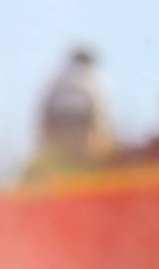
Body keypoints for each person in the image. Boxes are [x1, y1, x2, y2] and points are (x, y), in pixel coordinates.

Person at [24, 48, 117, 182]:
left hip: (61, 127)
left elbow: (44, 108)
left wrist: (44, 138)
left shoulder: (57, 78)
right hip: (81, 125)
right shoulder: (93, 78)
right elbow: (100, 111)